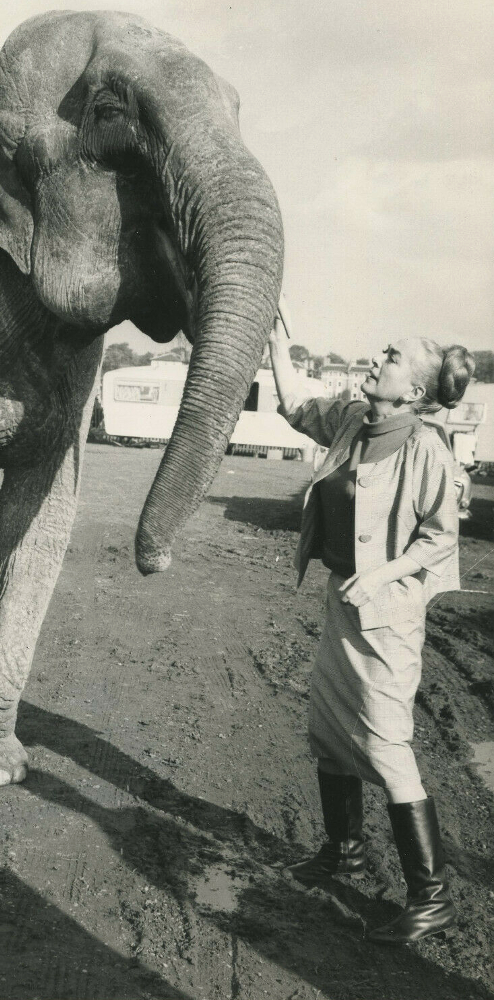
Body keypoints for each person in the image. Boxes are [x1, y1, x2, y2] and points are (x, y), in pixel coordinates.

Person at [268, 303, 475, 945]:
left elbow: (440, 538)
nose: (379, 357)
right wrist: (275, 341)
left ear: (413, 391)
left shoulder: (426, 448)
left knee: (386, 745)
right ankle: (344, 851)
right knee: (328, 730)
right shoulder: (354, 419)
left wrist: (383, 574)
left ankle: (432, 895)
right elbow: (295, 401)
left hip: (387, 617)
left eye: (392, 355)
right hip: (341, 602)